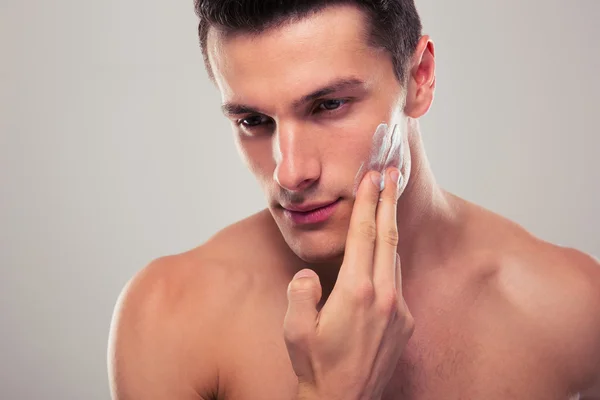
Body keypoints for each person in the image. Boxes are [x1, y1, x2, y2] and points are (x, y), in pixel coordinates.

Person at [107, 1, 600, 399]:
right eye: (253, 121)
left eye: (328, 105)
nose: (291, 172)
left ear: (420, 78)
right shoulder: (169, 315)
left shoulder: (573, 307)